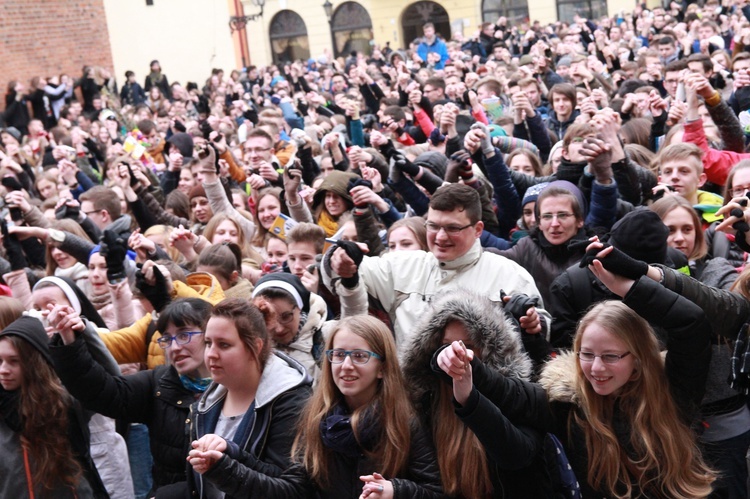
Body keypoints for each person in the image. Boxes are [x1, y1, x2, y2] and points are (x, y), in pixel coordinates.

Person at [437, 250, 717, 498]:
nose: (596, 368)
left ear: (638, 358)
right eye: (587, 354)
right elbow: (511, 394)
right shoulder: (567, 404)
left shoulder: (672, 390)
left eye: (610, 356)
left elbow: (691, 323)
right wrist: (465, 365)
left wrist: (629, 286)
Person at [323, 183, 548, 354]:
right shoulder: (403, 265)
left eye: (452, 228)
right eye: (433, 226)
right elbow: (344, 271)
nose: (440, 237)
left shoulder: (509, 274)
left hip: (480, 402)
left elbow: (542, 327)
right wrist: (339, 259)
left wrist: (533, 324)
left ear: (478, 229)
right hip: (412, 400)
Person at [50, 298, 214, 496]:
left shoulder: (238, 386)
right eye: (167, 339)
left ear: (210, 335)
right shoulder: (159, 383)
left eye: (183, 335)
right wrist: (69, 339)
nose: (175, 347)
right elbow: (101, 391)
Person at [401, 288, 547, 497]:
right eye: (445, 346)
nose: (454, 353)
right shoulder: (426, 403)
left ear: (487, 351)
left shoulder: (517, 396)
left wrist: (470, 399)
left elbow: (517, 455)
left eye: (467, 346)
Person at [291, 315, 443, 497]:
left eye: (359, 356)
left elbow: (436, 492)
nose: (346, 365)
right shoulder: (317, 417)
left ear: (382, 368)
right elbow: (297, 488)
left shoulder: (405, 422)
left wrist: (396, 491)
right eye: (339, 355)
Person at [181, 298, 312, 498]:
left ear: (256, 346)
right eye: (208, 343)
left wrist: (225, 465)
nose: (211, 354)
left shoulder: (291, 400)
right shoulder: (206, 403)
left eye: (224, 345)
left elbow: (292, 489)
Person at [0, 315, 111, 497]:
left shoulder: (63, 403)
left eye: (14, 361)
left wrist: (81, 333)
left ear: (33, 364)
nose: (3, 369)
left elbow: (107, 382)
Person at [251, 273, 327, 377]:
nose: (279, 329)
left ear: (300, 308)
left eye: (286, 317)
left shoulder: (327, 335)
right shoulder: (253, 352)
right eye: (268, 320)